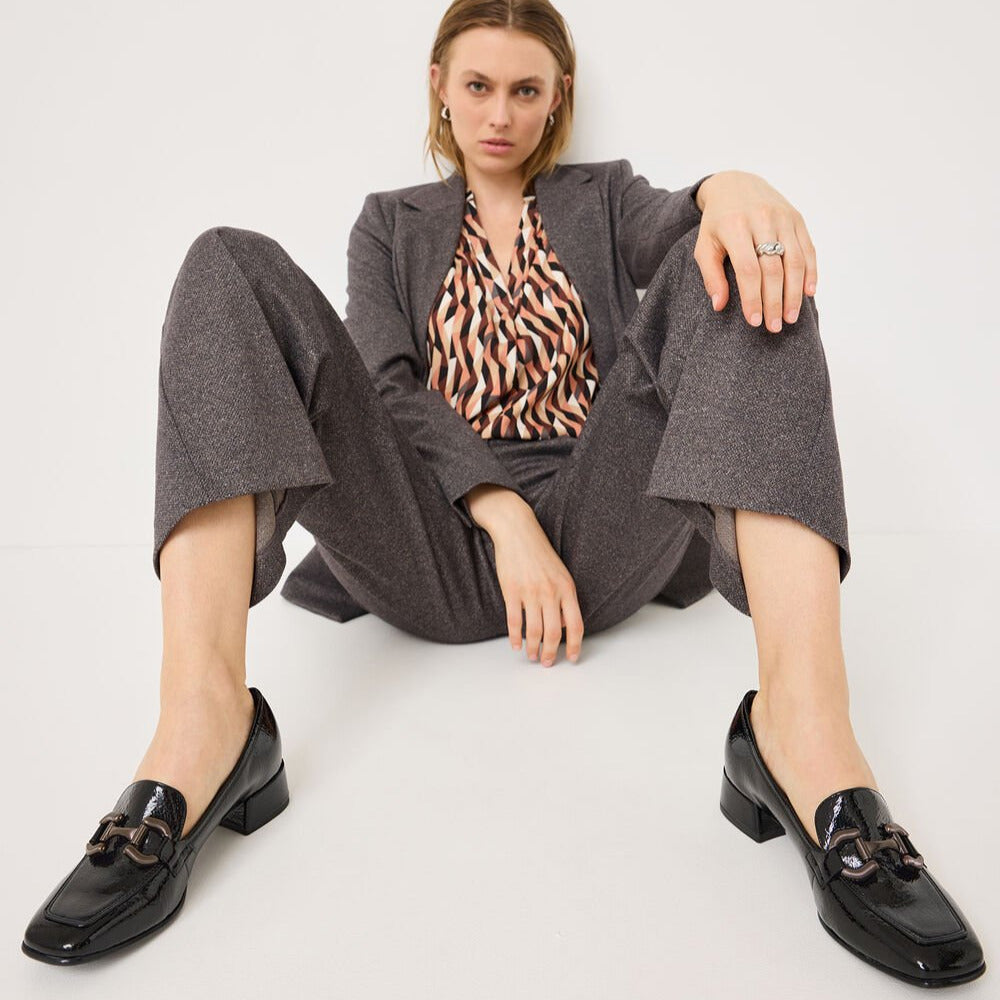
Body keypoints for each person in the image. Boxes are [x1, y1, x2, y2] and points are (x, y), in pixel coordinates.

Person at [21, 0, 986, 987]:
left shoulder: (603, 198)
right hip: (425, 538)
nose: (499, 113)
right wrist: (500, 511)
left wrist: (734, 187)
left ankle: (802, 736)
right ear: (439, 87)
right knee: (225, 261)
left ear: (556, 98)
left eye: (525, 90)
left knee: (745, 267)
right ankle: (204, 723)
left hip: (596, 531)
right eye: (477, 85)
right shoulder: (387, 222)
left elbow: (682, 227)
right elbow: (386, 385)